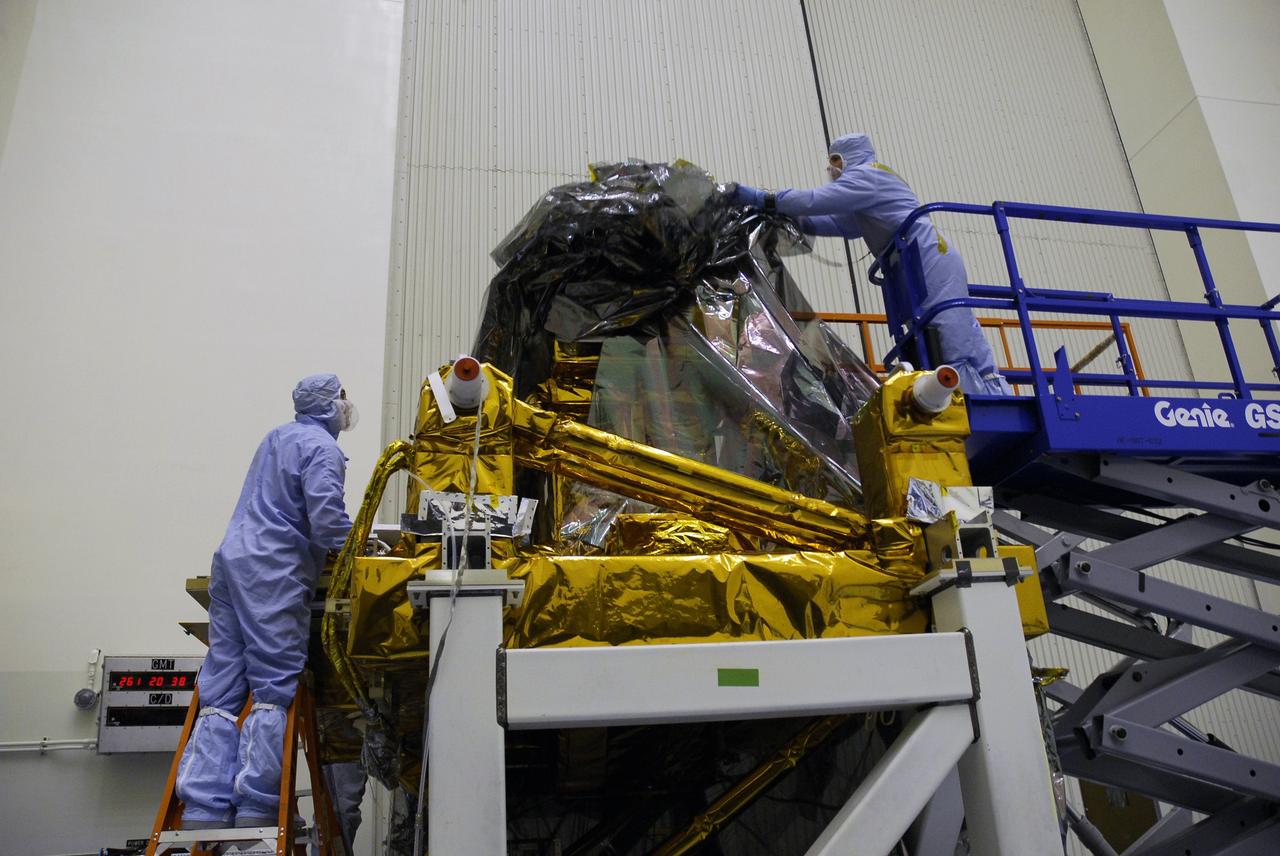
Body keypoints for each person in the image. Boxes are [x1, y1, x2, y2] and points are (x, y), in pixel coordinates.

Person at [177, 373, 359, 829]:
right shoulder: (323, 449)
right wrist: (368, 547)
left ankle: (203, 806)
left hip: (232, 560)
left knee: (222, 685)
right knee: (272, 687)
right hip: (273, 569)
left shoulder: (276, 436)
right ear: (328, 405)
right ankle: (259, 805)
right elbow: (326, 522)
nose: (346, 405)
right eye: (342, 398)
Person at [730, 133, 1010, 395]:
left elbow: (817, 200)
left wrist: (763, 199)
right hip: (908, 263)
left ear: (852, 156)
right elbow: (843, 225)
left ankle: (982, 392)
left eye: (836, 160)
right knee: (924, 330)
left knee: (948, 326)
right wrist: (793, 219)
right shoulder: (866, 188)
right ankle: (946, 389)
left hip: (927, 257)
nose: (831, 169)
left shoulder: (868, 176)